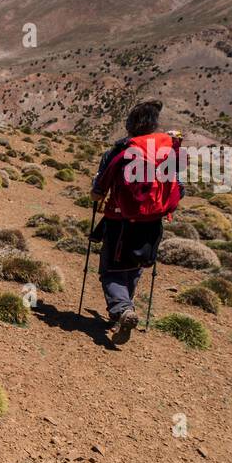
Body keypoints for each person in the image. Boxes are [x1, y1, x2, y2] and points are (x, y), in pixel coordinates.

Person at [89, 99, 183, 345]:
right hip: (153, 222)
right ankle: (123, 308)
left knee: (110, 269)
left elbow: (99, 188)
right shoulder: (168, 150)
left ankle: (122, 310)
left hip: (120, 220)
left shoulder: (120, 150)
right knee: (135, 265)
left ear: (130, 125)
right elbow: (179, 188)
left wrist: (97, 195)